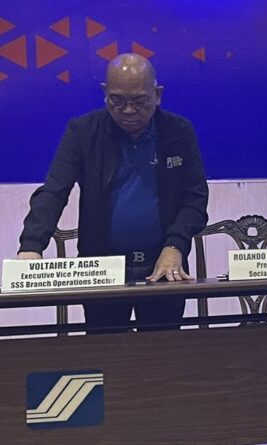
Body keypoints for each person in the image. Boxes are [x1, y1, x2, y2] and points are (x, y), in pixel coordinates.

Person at [17, 53, 209, 334]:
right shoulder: (83, 132)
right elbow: (54, 191)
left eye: (139, 101)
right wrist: (31, 246)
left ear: (157, 95)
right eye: (117, 101)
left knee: (163, 354)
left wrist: (175, 246)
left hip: (163, 266)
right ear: (104, 93)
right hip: (101, 267)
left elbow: (195, 198)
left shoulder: (178, 131)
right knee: (104, 353)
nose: (128, 110)